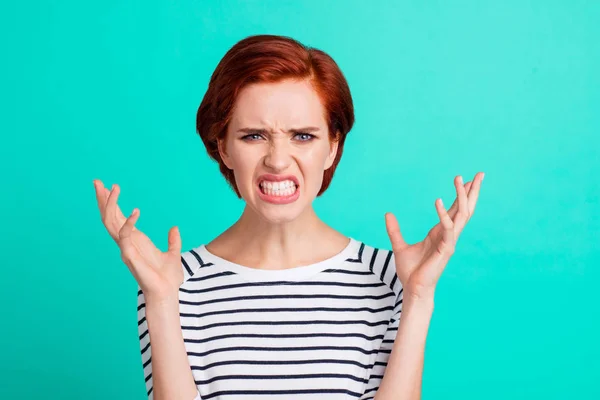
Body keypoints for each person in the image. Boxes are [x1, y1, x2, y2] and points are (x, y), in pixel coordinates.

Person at [93, 34, 484, 400]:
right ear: (223, 148)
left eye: (303, 136)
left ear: (333, 147)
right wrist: (161, 301)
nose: (277, 161)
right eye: (253, 136)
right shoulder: (172, 282)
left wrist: (417, 297)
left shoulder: (391, 278)